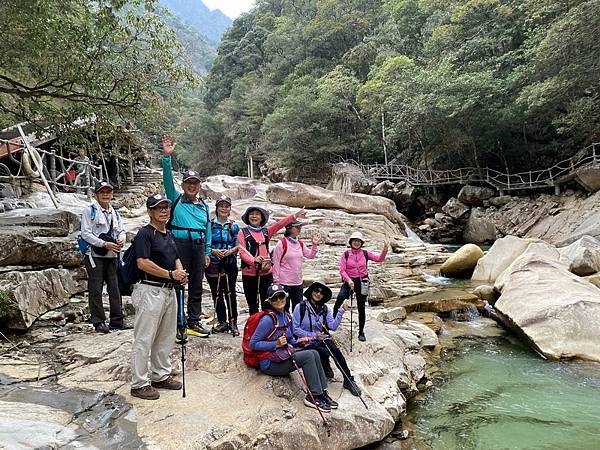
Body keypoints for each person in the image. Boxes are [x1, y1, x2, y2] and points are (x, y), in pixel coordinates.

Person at [130, 193, 188, 400]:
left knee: (165, 336)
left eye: (166, 207)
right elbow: (142, 262)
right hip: (149, 289)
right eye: (158, 208)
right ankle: (139, 383)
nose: (164, 211)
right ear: (150, 212)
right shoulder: (145, 234)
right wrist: (171, 274)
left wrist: (180, 273)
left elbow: (176, 258)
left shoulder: (168, 234)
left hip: (168, 290)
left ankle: (160, 375)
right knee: (144, 337)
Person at [249, 284, 338, 411]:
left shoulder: (286, 316)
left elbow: (290, 339)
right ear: (269, 301)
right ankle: (313, 396)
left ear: (286, 297)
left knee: (314, 352)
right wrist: (276, 344)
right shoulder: (268, 320)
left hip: (281, 356)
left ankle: (322, 392)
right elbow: (253, 343)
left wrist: (302, 340)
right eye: (274, 298)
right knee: (308, 356)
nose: (279, 300)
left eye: (281, 296)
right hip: (269, 363)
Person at [162, 134, 212, 338]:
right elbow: (166, 180)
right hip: (179, 244)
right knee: (178, 282)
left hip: (198, 245)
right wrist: (167, 157)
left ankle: (194, 320)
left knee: (196, 284)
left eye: (195, 183)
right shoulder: (175, 198)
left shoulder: (204, 206)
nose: (192, 186)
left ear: (199, 186)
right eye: (188, 183)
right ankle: (178, 323)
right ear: (183, 185)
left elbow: (207, 230)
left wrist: (207, 251)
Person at [293, 281, 362, 396]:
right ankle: (327, 369)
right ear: (311, 292)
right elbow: (295, 329)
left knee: (334, 350)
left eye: (321, 292)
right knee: (323, 348)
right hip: (305, 341)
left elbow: (332, 326)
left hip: (322, 339)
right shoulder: (300, 307)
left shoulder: (325, 309)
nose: (318, 294)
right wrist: (313, 336)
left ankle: (348, 379)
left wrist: (341, 311)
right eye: (316, 291)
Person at [238, 206, 306, 314]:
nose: (254, 216)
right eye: (252, 214)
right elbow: (242, 251)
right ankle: (256, 327)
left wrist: (294, 216)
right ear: (248, 217)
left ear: (261, 218)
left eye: (257, 214)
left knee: (268, 302)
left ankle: (270, 326)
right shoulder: (242, 233)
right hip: (250, 274)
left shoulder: (266, 232)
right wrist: (254, 260)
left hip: (266, 273)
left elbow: (279, 225)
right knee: (252, 304)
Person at [80, 181, 127, 333]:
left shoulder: (115, 212)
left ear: (112, 194)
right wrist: (103, 244)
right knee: (96, 287)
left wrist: (122, 239)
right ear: (96, 195)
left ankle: (117, 320)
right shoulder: (89, 211)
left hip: (112, 254)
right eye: (102, 192)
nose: (106, 194)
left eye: (108, 192)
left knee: (114, 287)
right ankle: (98, 321)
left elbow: (121, 230)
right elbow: (85, 233)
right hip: (94, 255)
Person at [333, 231, 388, 342]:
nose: (356, 243)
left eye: (358, 241)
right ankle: (331, 322)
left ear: (361, 242)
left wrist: (385, 250)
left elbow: (379, 259)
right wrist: (348, 280)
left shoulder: (365, 253)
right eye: (355, 241)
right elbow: (342, 270)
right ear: (351, 242)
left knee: (361, 307)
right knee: (340, 298)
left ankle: (361, 331)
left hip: (362, 282)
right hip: (349, 281)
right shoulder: (346, 254)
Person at [206, 195, 240, 335]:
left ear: (230, 209)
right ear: (217, 208)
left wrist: (230, 251)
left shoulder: (233, 226)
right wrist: (213, 251)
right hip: (213, 263)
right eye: (221, 206)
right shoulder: (210, 225)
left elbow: (239, 244)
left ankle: (233, 323)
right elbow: (205, 242)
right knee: (217, 294)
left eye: (226, 206)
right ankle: (222, 322)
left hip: (229, 263)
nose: (224, 209)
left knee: (230, 293)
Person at [271, 221, 320, 312]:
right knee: (284, 308)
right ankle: (285, 325)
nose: (299, 229)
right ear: (289, 228)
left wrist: (314, 245)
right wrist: (276, 281)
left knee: (298, 309)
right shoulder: (281, 243)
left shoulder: (300, 243)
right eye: (296, 227)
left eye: (300, 227)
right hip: (284, 282)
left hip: (297, 282)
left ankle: (296, 326)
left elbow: (310, 255)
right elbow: (276, 263)